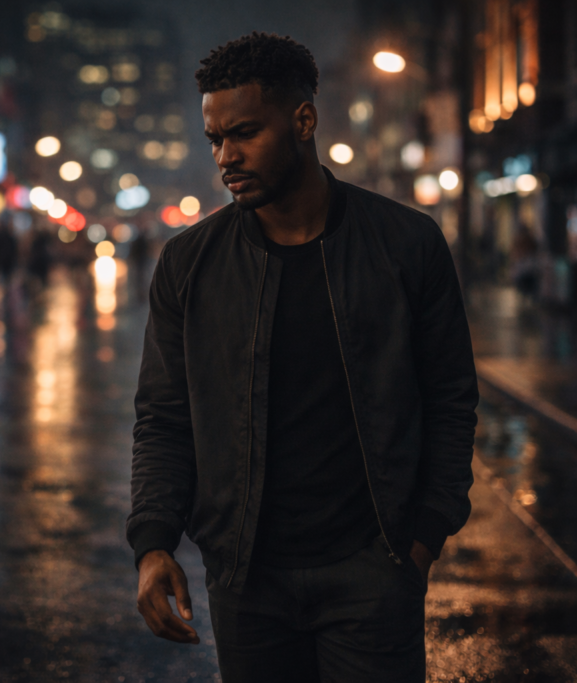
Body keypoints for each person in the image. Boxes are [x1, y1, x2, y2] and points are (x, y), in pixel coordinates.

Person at [128, 33, 478, 682]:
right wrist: (153, 543)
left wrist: (423, 538)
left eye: (244, 133)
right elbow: (164, 417)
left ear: (304, 120)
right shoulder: (190, 262)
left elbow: (451, 397)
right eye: (215, 139)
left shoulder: (406, 245)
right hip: (246, 577)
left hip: (374, 569)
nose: (226, 156)